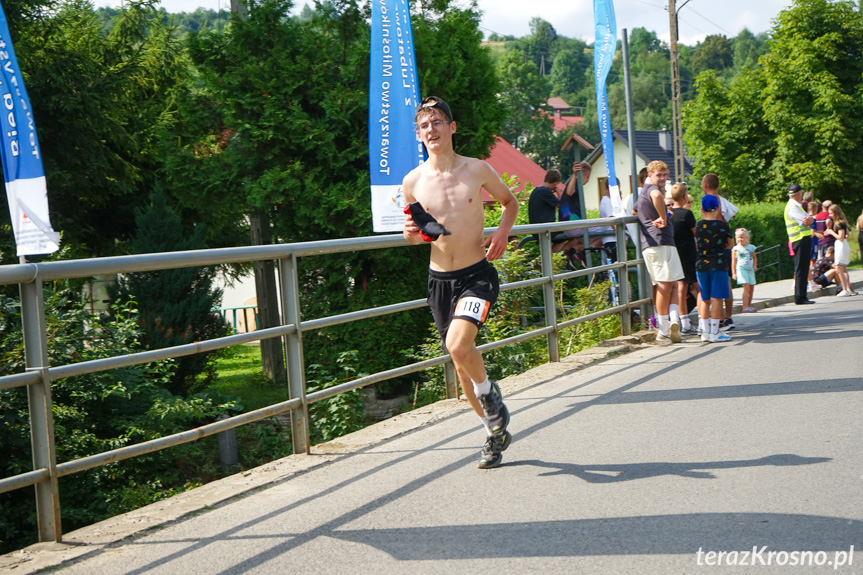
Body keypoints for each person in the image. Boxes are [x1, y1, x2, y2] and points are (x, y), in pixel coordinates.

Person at [402, 96, 518, 469]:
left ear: (451, 128)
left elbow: (509, 202)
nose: (431, 130)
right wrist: (410, 233)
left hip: (476, 275)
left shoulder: (477, 169)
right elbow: (412, 233)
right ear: (418, 135)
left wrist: (502, 232)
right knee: (458, 357)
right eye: (424, 126)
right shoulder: (413, 181)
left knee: (458, 344)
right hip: (440, 280)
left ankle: (490, 396)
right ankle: (493, 431)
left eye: (437, 122)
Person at [636, 160, 684, 343]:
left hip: (659, 242)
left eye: (665, 174)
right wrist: (663, 218)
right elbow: (656, 195)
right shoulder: (651, 190)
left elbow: (636, 210)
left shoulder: (642, 193)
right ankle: (665, 328)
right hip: (659, 242)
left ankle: (672, 321)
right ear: (649, 175)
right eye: (659, 175)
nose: (663, 178)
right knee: (666, 285)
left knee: (671, 284)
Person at [701, 173, 737, 331]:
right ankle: (727, 317)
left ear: (705, 186)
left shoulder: (711, 202)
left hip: (713, 251)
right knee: (724, 284)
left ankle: (720, 320)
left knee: (714, 290)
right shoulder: (721, 200)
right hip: (723, 249)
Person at [696, 195, 734, 343]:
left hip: (701, 265)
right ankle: (715, 331)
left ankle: (704, 332)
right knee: (717, 297)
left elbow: (697, 245)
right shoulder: (723, 225)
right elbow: (730, 244)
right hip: (718, 264)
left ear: (702, 209)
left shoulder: (698, 225)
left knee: (705, 298)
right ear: (718, 208)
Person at [527, 169, 584, 257]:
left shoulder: (537, 191)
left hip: (538, 228)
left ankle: (551, 259)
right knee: (573, 235)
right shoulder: (545, 192)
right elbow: (562, 206)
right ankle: (556, 259)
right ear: (555, 183)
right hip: (547, 228)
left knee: (566, 236)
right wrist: (559, 192)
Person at [670, 183, 698, 333]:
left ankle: (683, 320)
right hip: (688, 254)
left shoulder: (669, 213)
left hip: (675, 254)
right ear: (684, 197)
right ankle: (708, 320)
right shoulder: (687, 214)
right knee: (698, 287)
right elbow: (696, 233)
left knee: (680, 287)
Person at [784, 183, 815, 305]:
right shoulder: (793, 207)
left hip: (800, 239)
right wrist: (809, 219)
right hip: (799, 239)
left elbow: (809, 219)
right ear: (798, 194)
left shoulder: (795, 205)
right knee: (801, 268)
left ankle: (802, 296)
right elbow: (806, 221)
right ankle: (800, 297)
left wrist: (810, 219)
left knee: (802, 267)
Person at [824, 204, 856, 296]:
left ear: (836, 213)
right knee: (843, 268)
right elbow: (847, 235)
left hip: (840, 245)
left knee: (838, 268)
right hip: (842, 245)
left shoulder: (839, 224)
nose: (830, 215)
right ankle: (847, 288)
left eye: (831, 213)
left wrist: (831, 232)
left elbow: (841, 237)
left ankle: (845, 289)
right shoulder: (842, 222)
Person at [732, 228, 758, 313]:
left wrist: (755, 266)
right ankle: (745, 306)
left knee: (751, 287)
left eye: (742, 237)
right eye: (738, 237)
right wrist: (734, 273)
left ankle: (749, 305)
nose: (740, 239)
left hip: (750, 270)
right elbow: (733, 261)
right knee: (746, 287)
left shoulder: (751, 248)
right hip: (741, 269)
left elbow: (754, 257)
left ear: (747, 237)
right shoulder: (736, 249)